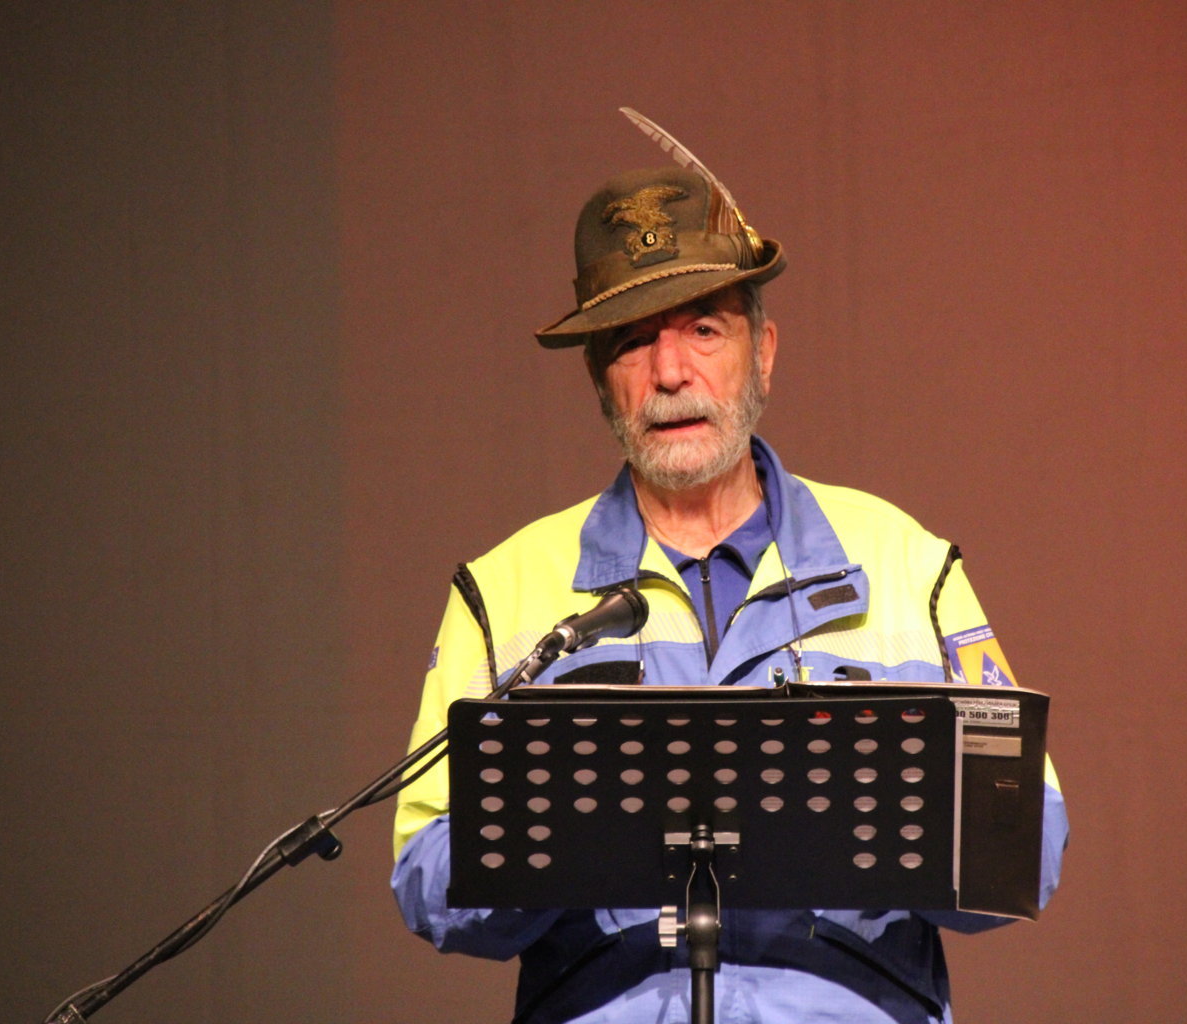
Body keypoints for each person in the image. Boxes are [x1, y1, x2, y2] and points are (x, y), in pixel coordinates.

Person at [392, 161, 1068, 1024]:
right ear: (599, 379)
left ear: (765, 354)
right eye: (632, 342)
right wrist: (570, 836)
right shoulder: (503, 588)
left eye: (704, 329)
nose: (671, 370)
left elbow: (1028, 844)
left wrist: (864, 817)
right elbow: (425, 875)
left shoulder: (906, 561)